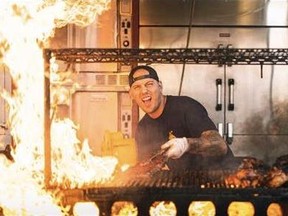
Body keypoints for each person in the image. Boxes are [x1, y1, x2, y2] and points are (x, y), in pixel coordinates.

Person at [128, 65, 234, 171]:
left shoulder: (186, 107)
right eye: (137, 87)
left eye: (149, 84)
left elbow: (220, 145)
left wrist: (186, 144)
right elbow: (146, 167)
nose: (144, 91)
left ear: (160, 86)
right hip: (183, 183)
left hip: (221, 178)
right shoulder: (143, 128)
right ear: (131, 94)